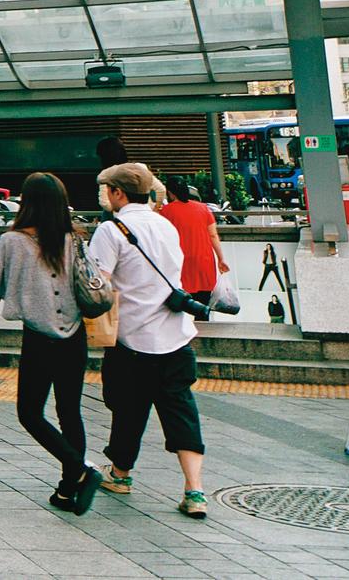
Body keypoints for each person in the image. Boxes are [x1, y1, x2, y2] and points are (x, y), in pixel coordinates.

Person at [0, 173, 102, 514]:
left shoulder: (13, 241)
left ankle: (81, 470)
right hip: (75, 336)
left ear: (26, 202)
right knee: (69, 412)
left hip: (39, 339)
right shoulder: (73, 238)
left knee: (29, 413)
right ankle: (65, 490)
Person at [89, 162, 208, 518]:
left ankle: (121, 475)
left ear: (118, 193)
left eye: (108, 189)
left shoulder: (111, 230)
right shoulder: (165, 224)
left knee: (127, 408)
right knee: (181, 410)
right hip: (176, 335)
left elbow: (99, 285)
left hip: (132, 338)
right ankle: (195, 490)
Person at [159, 176, 227, 307]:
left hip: (181, 264)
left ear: (170, 193)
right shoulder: (203, 208)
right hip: (204, 262)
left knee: (182, 307)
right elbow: (213, 235)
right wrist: (221, 259)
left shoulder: (165, 212)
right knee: (203, 308)